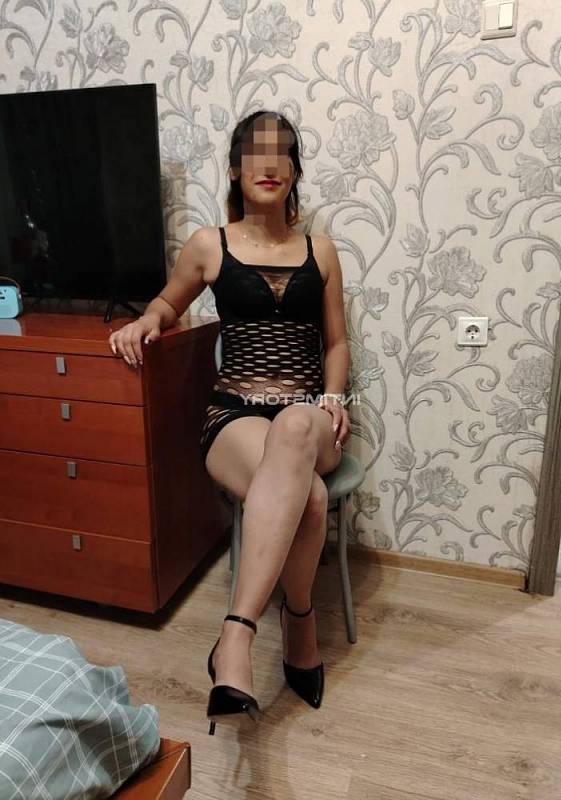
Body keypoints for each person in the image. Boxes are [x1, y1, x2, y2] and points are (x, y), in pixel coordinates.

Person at [108, 110, 351, 735]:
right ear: (237, 169)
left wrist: (333, 397)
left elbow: (337, 342)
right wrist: (146, 321)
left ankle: (234, 636)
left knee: (295, 426)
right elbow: (168, 302)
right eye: (254, 153)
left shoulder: (321, 251)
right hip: (235, 415)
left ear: (293, 170)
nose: (268, 164)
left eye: (281, 153)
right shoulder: (208, 245)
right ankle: (299, 622)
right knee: (311, 500)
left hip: (310, 416)